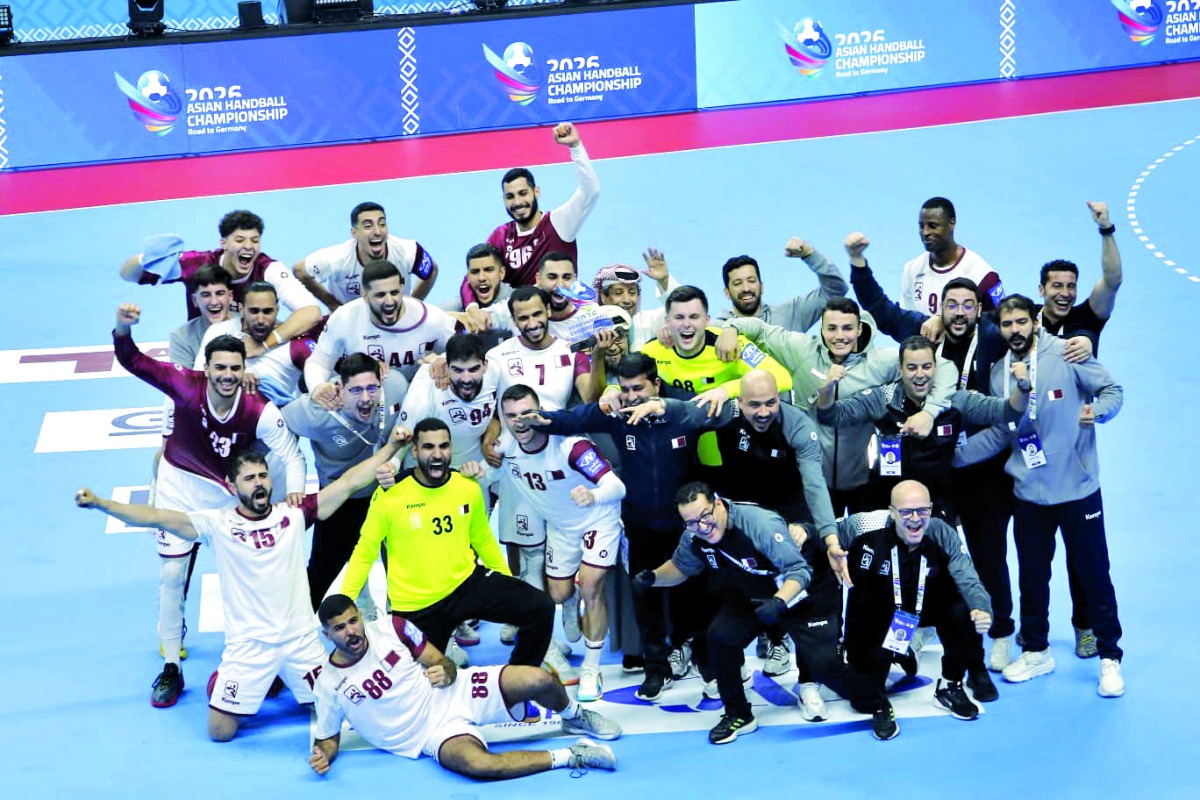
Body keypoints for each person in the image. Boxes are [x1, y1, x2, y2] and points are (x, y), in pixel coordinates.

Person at [74, 429, 409, 741]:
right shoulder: (217, 524)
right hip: (249, 648)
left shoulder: (293, 515)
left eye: (263, 476)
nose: (259, 484)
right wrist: (102, 504)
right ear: (232, 486)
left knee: (344, 710)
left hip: (301, 642)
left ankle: (279, 682)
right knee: (220, 732)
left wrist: (393, 447)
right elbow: (157, 517)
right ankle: (242, 681)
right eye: (249, 479)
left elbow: (349, 482)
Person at [113, 302, 307, 709]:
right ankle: (171, 665)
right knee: (172, 575)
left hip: (224, 493)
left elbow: (290, 453)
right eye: (220, 368)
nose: (227, 375)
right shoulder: (184, 385)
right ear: (206, 368)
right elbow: (132, 360)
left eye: (235, 368)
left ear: (244, 370)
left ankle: (269, 657)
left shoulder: (258, 408)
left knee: (256, 571)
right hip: (180, 486)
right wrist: (122, 328)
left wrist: (295, 491)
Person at [956, 295, 1126, 697]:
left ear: (1035, 320)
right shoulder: (999, 373)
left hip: (1078, 490)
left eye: (1021, 321)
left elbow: (1112, 390)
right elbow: (1002, 432)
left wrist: (1099, 411)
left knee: (1093, 574)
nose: (1014, 330)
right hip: (1030, 494)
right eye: (1007, 324)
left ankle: (1110, 658)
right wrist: (953, 458)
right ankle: (1036, 651)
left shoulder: (1068, 352)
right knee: (1032, 577)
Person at [519, 354, 714, 701]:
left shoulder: (681, 409)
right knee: (645, 596)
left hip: (685, 526)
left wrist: (666, 407)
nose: (631, 396)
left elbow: (715, 413)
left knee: (692, 597)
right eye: (625, 389)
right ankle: (656, 671)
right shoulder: (617, 412)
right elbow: (575, 418)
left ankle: (705, 664)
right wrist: (542, 420)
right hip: (640, 523)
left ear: (656, 384)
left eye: (638, 388)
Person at [635, 482, 884, 744]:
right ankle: (738, 714)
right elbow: (681, 566)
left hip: (806, 591)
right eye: (692, 522)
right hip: (754, 591)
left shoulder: (758, 524)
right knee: (721, 637)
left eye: (705, 516)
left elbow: (799, 571)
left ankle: (878, 704)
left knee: (825, 666)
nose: (702, 527)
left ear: (718, 504)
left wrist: (778, 602)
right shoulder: (694, 535)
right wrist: (653, 578)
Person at [310, 595, 621, 780]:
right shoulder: (328, 683)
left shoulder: (393, 627)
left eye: (353, 621)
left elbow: (441, 661)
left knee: (538, 679)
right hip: (429, 736)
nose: (351, 631)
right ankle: (573, 755)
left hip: (452, 693)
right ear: (327, 634)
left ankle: (574, 715)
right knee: (478, 764)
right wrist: (323, 755)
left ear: (360, 616)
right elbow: (328, 738)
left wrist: (445, 672)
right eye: (340, 628)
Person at [342, 419, 556, 670]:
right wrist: (344, 605)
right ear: (414, 451)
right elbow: (364, 553)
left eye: (443, 446)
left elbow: (483, 539)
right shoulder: (390, 495)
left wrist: (508, 582)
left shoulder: (466, 486)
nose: (437, 454)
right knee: (424, 679)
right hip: (417, 605)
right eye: (428, 447)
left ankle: (519, 676)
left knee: (540, 607)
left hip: (466, 585)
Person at [721, 298, 957, 515]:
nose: (839, 336)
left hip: (863, 482)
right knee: (816, 543)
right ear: (821, 329)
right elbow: (760, 329)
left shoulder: (881, 362)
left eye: (847, 328)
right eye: (832, 328)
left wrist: (929, 412)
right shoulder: (801, 350)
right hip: (811, 480)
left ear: (859, 329)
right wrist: (731, 329)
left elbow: (944, 366)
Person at [830, 481, 998, 739]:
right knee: (861, 700)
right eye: (906, 512)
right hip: (879, 612)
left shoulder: (941, 531)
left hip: (927, 604)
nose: (916, 519)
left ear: (930, 509)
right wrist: (811, 537)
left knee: (964, 612)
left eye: (922, 510)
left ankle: (950, 685)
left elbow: (968, 577)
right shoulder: (863, 525)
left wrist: (981, 608)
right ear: (892, 512)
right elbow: (825, 535)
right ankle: (878, 701)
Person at [496, 385, 626, 701]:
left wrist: (593, 495)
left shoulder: (572, 446)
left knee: (593, 585)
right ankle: (573, 593)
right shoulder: (505, 448)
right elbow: (484, 472)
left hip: (598, 517)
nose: (520, 422)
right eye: (511, 416)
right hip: (561, 528)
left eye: (526, 413)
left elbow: (617, 487)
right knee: (558, 594)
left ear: (540, 413)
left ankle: (591, 670)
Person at [816, 335, 1025, 515]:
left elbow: (1007, 411)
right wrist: (827, 388)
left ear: (935, 367)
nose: (919, 374)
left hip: (935, 509)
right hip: (884, 507)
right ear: (900, 369)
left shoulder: (955, 401)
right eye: (911, 367)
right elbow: (831, 415)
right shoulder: (883, 399)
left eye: (926, 367)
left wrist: (1023, 388)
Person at [281, 353, 404, 612]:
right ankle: (296, 626)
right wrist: (294, 480)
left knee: (405, 559)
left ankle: (400, 616)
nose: (366, 398)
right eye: (356, 390)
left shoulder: (396, 386)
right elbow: (275, 427)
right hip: (340, 500)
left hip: (388, 492)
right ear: (340, 388)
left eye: (372, 388)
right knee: (321, 571)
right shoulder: (315, 411)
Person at [121, 209, 322, 345]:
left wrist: (266, 344)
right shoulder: (198, 263)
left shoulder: (269, 270)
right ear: (224, 243)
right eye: (240, 240)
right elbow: (128, 274)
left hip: (253, 345)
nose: (248, 246)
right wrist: (147, 259)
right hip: (203, 345)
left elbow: (311, 312)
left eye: (255, 240)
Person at [459, 122, 599, 307]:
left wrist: (575, 146)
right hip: (515, 310)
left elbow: (590, 191)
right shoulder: (501, 235)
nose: (517, 202)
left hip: (555, 306)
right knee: (453, 309)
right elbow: (474, 272)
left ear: (536, 192)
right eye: (510, 196)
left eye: (523, 193)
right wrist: (472, 308)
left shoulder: (559, 223)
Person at [305, 260, 456, 409]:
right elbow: (319, 362)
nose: (390, 301)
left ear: (402, 288)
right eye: (380, 295)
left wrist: (444, 360)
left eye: (395, 293)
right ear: (364, 296)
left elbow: (465, 353)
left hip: (422, 398)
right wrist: (317, 386)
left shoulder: (433, 319)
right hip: (367, 399)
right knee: (320, 401)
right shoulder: (345, 318)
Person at [197, 281, 323, 407]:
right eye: (254, 311)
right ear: (241, 309)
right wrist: (235, 379)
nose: (261, 320)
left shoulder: (297, 345)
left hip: (274, 414)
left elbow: (323, 379)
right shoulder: (218, 330)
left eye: (267, 312)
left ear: (277, 310)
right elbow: (197, 379)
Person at [295, 201, 438, 309]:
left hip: (394, 319)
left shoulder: (408, 252)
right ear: (354, 233)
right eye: (368, 226)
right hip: (351, 326)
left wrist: (412, 304)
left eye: (382, 224)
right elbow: (300, 270)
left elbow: (432, 270)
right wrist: (332, 304)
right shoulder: (337, 259)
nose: (377, 232)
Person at [711, 237, 849, 331]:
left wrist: (809, 254)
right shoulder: (717, 329)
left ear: (761, 286)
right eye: (737, 283)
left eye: (751, 281)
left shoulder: (790, 314)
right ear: (727, 292)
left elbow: (836, 291)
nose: (746, 288)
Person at [900, 197, 1003, 314]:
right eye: (921, 226)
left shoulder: (982, 275)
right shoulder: (911, 270)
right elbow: (905, 319)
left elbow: (998, 320)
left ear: (951, 223)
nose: (925, 232)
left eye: (933, 226)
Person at [590, 249, 678, 350]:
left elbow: (681, 311)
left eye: (632, 293)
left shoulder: (647, 322)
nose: (627, 300)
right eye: (618, 293)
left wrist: (664, 280)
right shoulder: (589, 326)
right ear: (603, 297)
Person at [168, 265, 236, 368]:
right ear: (195, 300)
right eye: (206, 295)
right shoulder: (181, 338)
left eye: (220, 293)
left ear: (230, 296)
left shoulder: (248, 326)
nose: (214, 302)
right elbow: (184, 378)